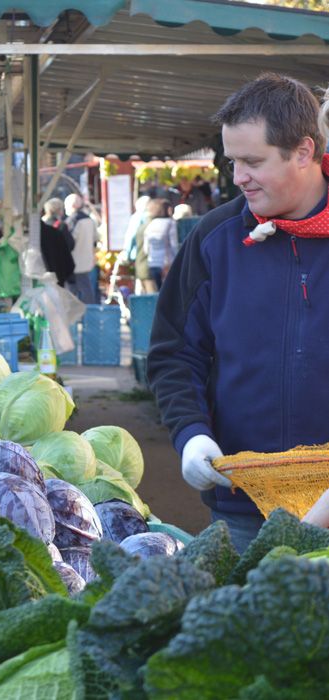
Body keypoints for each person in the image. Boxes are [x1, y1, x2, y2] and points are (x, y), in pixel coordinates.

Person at [148, 73, 329, 552]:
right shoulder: (214, 238)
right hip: (243, 510)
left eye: (253, 162)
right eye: (233, 162)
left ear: (304, 152)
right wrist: (191, 433)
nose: (238, 177)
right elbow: (173, 354)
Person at [64, 193, 100, 303]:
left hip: (74, 262)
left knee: (74, 293)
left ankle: (84, 312)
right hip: (87, 262)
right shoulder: (89, 220)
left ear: (72, 206)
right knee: (87, 290)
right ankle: (90, 311)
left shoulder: (72, 221)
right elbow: (96, 239)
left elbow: (69, 242)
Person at [142, 198, 178, 290]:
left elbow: (146, 249)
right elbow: (174, 245)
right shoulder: (170, 223)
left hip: (152, 263)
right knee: (170, 292)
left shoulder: (150, 224)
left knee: (158, 291)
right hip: (167, 263)